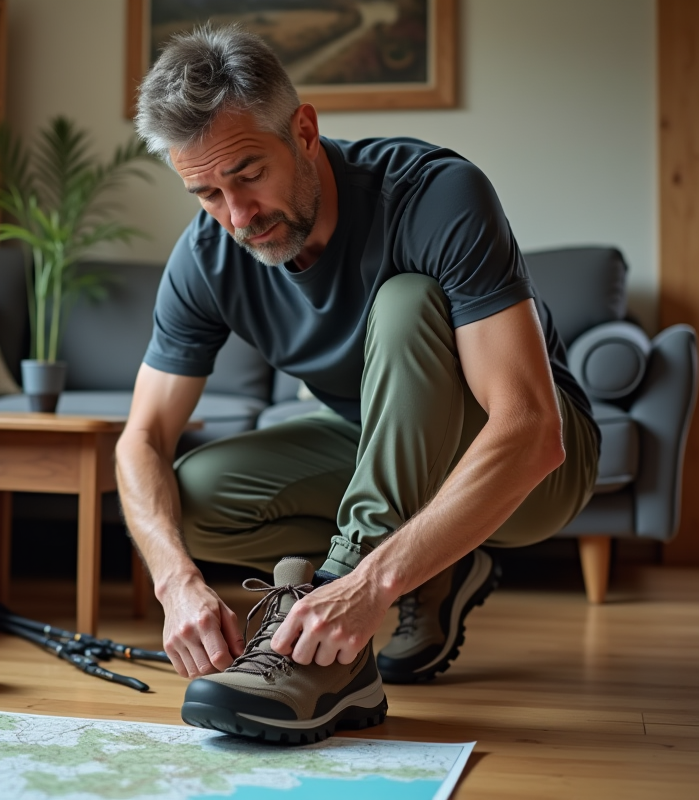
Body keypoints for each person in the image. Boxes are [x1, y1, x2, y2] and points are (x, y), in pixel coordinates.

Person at [115, 25, 600, 743]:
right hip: (376, 442)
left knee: (403, 300)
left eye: (248, 173)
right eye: (207, 193)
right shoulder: (208, 255)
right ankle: (430, 571)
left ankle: (340, 640)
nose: (238, 217)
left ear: (304, 130)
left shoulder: (436, 194)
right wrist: (174, 582)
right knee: (192, 498)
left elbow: (531, 430)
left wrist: (363, 586)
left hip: (532, 470)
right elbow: (141, 439)